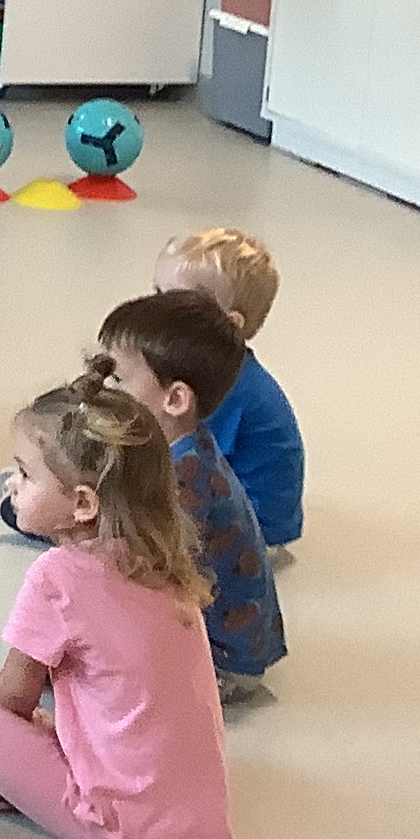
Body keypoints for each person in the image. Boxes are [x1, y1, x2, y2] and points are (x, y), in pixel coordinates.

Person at [0, 374, 232, 839]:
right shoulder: (162, 560)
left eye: (25, 474)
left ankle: (27, 789)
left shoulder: (57, 575)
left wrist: (33, 727)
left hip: (120, 823)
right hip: (200, 812)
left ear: (81, 504)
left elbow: (13, 695)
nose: (11, 484)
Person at [81, 291, 288, 701]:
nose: (104, 387)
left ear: (174, 400)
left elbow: (144, 569)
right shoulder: (176, 443)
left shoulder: (182, 477)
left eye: (118, 380)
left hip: (221, 658)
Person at [157, 226, 305, 552]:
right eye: (157, 294)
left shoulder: (225, 384)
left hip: (247, 534)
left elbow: (183, 455)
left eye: (174, 302)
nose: (154, 311)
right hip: (240, 512)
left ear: (227, 323)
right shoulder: (213, 367)